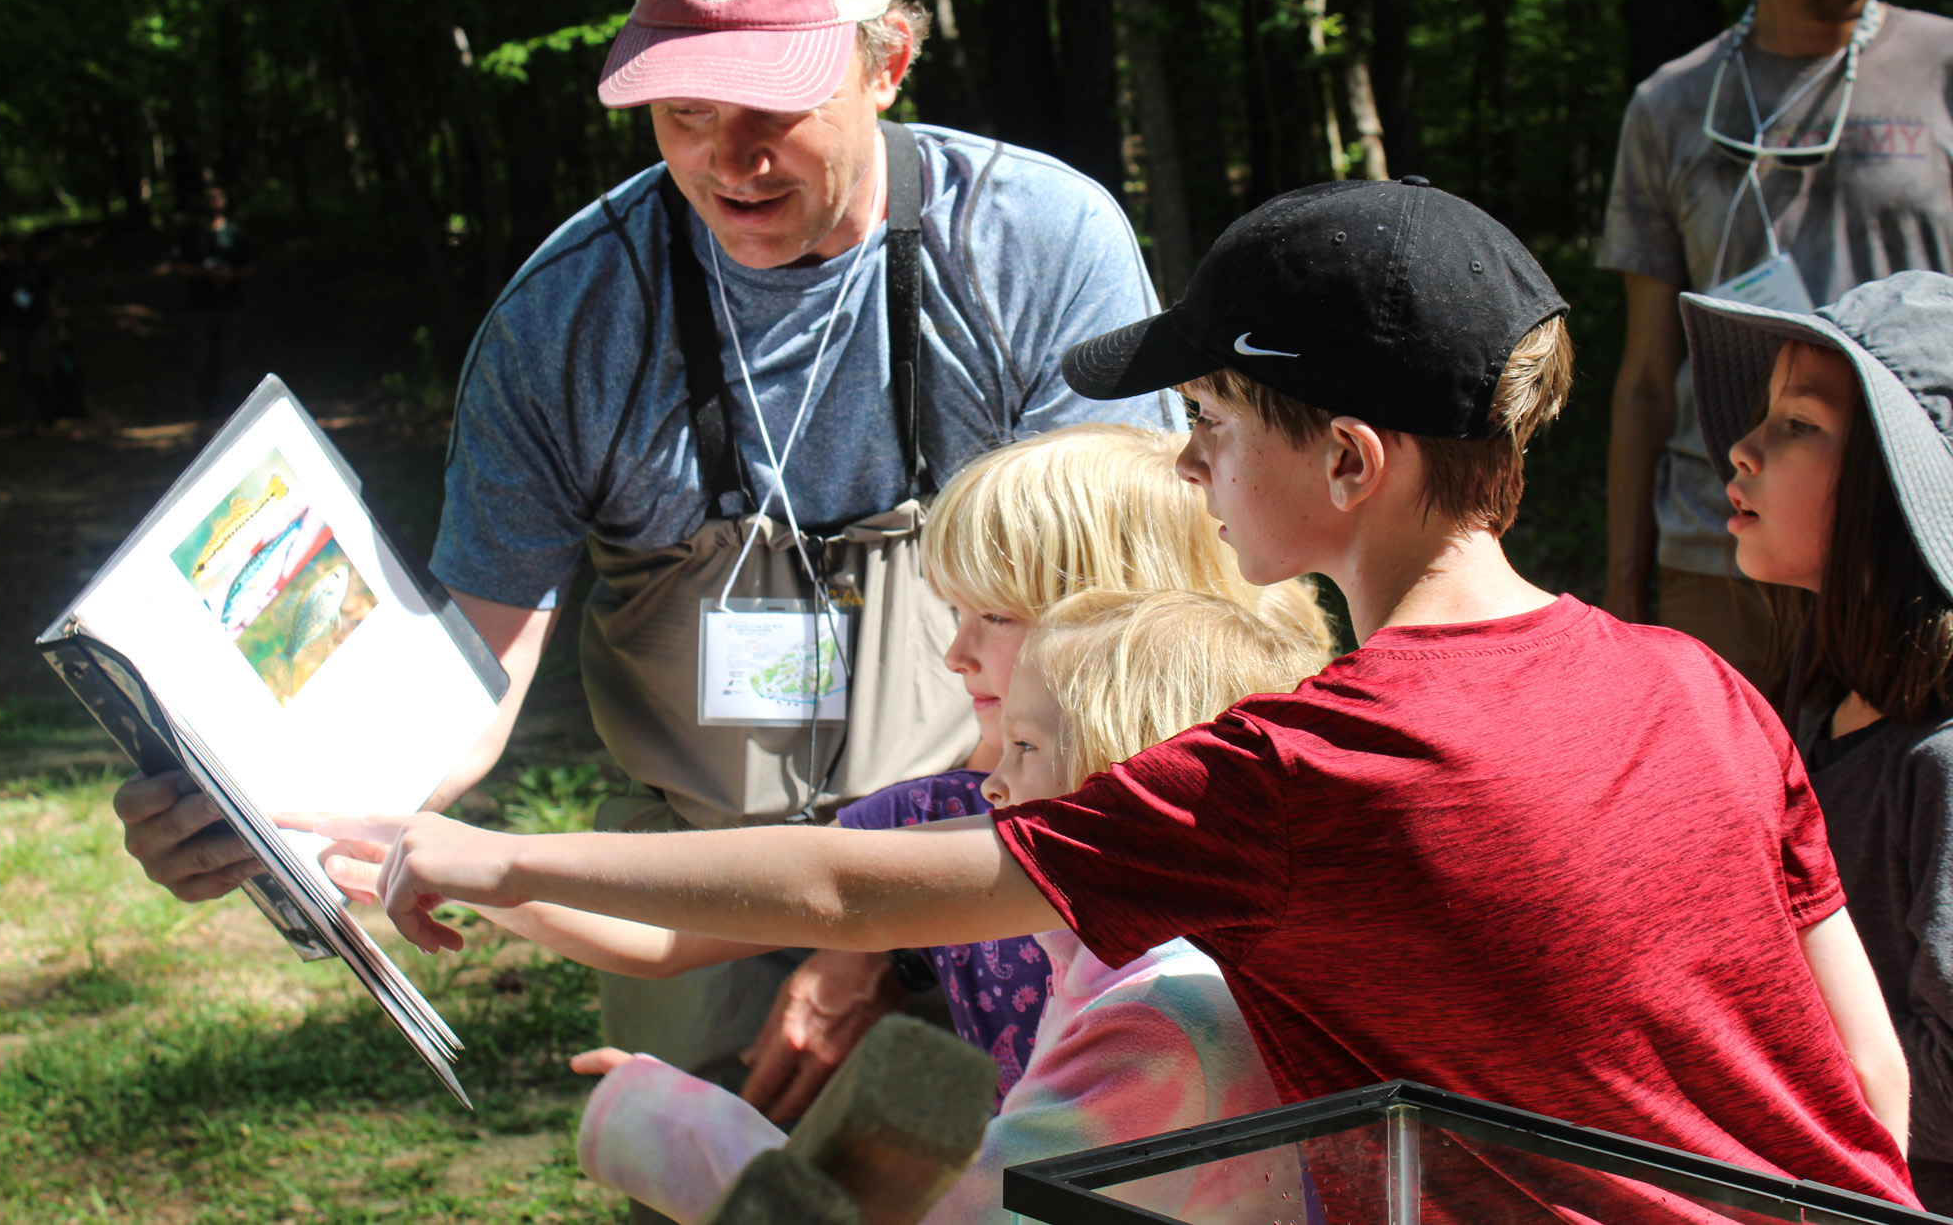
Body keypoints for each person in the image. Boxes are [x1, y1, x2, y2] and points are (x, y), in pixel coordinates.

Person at [304, 180, 1920, 1216]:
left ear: (1349, 464)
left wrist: (490, 858)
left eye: (1216, 418)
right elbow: (1873, 1086)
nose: (1189, 457)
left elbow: (842, 883)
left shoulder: (1311, 766)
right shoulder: (1697, 683)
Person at [111, 0, 1172, 1144]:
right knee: (714, 1178)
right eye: (679, 106)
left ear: (885, 58)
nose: (727, 157)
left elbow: (1119, 650)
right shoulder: (562, 321)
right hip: (682, 878)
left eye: (771, 101)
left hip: (995, 849)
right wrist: (272, 815)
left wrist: (870, 938)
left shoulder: (1036, 249)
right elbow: (470, 681)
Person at [294, 424, 1330, 1107]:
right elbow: (667, 928)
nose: (953, 654)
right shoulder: (952, 809)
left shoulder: (1255, 797)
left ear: (1115, 624)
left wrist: (504, 864)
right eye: (952, 614)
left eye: (994, 619)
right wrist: (452, 866)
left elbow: (831, 890)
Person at [566, 589, 1320, 1225]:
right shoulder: (1138, 972)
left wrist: (668, 1122)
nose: (992, 785)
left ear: (1120, 784)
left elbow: (969, 1217)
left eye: (1023, 747)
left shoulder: (1158, 1019)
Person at [1601, 0, 1953, 683]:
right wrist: (1626, 592)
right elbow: (1648, 373)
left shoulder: (1943, 65)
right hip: (1720, 539)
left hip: (1906, 536)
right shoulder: (1672, 106)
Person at [1682, 270, 1953, 1211]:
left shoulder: (1942, 760)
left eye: (1797, 424)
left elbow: (1949, 1083)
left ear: (1890, 481)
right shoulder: (1814, 696)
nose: (1741, 450)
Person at [164, 183, 256, 416]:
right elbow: (177, 266)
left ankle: (232, 409)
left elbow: (252, 265)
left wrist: (231, 275)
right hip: (199, 307)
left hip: (231, 306)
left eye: (217, 198)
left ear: (224, 201)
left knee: (231, 359)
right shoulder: (190, 234)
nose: (212, 203)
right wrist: (204, 273)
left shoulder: (235, 232)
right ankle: (205, 407)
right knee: (201, 359)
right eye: (208, 199)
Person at [0, 236, 65, 429]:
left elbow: (51, 297)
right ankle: (26, 417)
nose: (13, 251)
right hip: (10, 329)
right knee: (18, 372)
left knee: (39, 369)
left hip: (37, 326)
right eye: (8, 247)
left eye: (15, 246)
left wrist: (58, 325)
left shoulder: (36, 269)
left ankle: (45, 413)